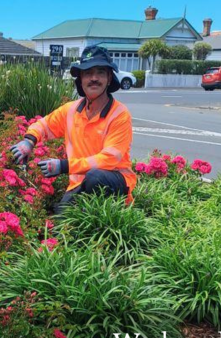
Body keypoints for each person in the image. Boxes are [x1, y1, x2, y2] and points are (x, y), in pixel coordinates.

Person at [10, 45, 136, 214]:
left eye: (100, 72)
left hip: (113, 184)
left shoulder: (119, 114)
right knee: (60, 226)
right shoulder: (71, 110)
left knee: (95, 177)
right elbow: (44, 125)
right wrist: (28, 141)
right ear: (81, 79)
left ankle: (107, 219)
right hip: (78, 185)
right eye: (88, 73)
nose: (94, 78)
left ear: (108, 78)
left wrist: (63, 166)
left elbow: (109, 160)